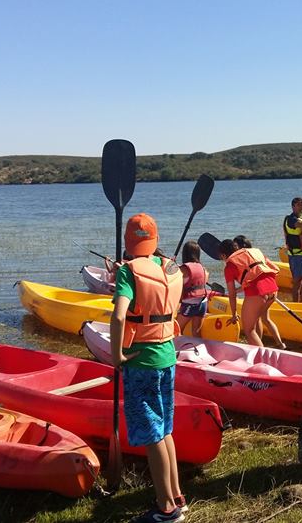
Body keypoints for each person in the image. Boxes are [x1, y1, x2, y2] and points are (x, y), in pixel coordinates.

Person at [107, 214, 187, 522]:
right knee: (165, 430)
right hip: (167, 355)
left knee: (153, 434)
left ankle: (166, 508)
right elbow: (157, 296)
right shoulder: (169, 267)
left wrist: (116, 356)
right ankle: (177, 496)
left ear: (128, 243)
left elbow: (118, 317)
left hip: (141, 362)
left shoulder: (128, 272)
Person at [220, 239, 285, 348]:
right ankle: (278, 345)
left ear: (223, 255)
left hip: (257, 293)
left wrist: (234, 314)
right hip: (273, 289)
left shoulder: (229, 266)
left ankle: (262, 359)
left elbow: (232, 294)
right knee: (260, 319)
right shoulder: (254, 252)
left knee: (249, 330)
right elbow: (275, 269)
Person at [177, 241, 209, 339]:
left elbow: (171, 278)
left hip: (190, 304)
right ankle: (199, 352)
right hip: (203, 302)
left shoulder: (183, 269)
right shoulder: (203, 269)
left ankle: (178, 352)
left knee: (176, 330)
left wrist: (172, 266)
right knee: (196, 333)